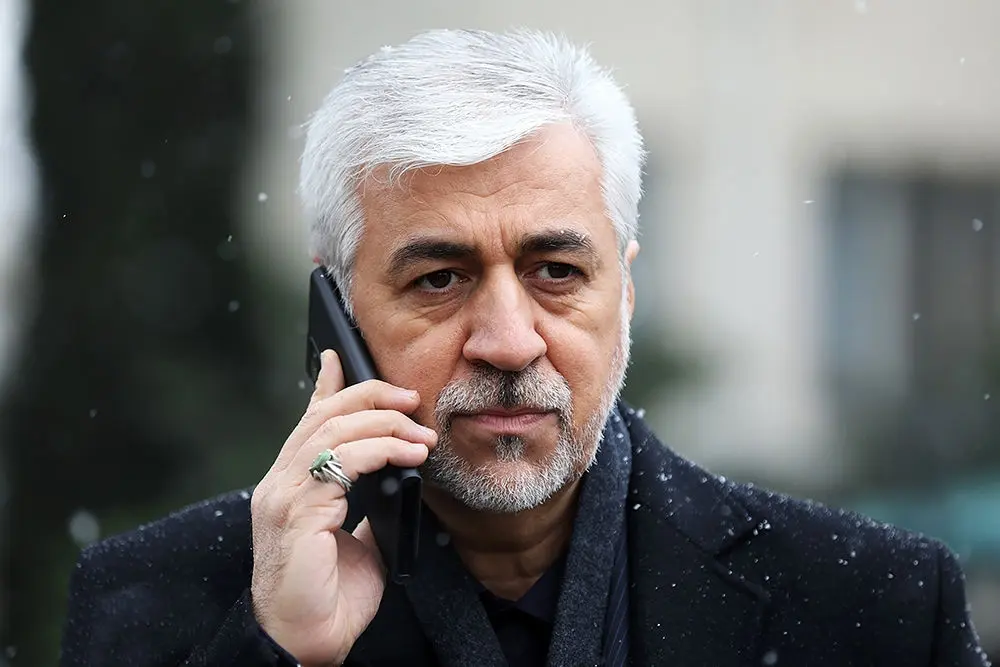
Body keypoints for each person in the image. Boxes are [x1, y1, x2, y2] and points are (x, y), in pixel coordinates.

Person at [60, 28, 990, 667]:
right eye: (439, 278)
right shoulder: (161, 602)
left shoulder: (877, 607)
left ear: (625, 291)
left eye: (555, 270)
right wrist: (279, 650)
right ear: (334, 313)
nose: (508, 343)